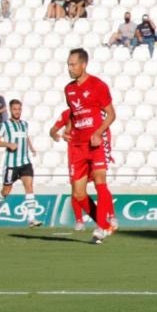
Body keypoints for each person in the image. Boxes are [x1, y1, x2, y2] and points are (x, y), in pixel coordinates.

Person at [55, 48, 117, 244]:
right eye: (68, 64)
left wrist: (98, 133)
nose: (70, 68)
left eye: (73, 64)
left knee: (100, 181)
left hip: (96, 142)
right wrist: (68, 130)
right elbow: (73, 114)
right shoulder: (69, 89)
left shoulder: (98, 85)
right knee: (78, 193)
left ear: (83, 65)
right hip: (78, 145)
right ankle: (104, 224)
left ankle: (102, 227)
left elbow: (111, 114)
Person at [0, 99, 43, 227]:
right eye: (15, 109)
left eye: (19, 109)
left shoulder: (25, 124)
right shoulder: (5, 125)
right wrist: (8, 144)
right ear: (10, 110)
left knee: (29, 186)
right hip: (11, 165)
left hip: (25, 162)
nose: (17, 111)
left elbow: (25, 136)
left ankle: (31, 219)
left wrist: (31, 147)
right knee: (6, 191)